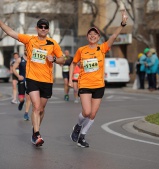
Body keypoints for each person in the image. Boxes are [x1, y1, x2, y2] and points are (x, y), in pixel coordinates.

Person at [0, 18, 65, 147]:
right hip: (32, 79)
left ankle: (35, 130)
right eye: (40, 26)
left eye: (45, 27)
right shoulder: (29, 40)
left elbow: (62, 60)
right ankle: (37, 134)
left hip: (46, 80)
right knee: (36, 106)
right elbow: (11, 32)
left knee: (41, 109)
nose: (43, 29)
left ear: (48, 29)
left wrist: (55, 59)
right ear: (37, 28)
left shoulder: (53, 43)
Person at [69, 10, 128, 148]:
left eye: (95, 35)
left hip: (99, 85)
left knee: (93, 114)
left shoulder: (102, 48)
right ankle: (77, 126)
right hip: (85, 84)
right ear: (87, 36)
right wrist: (73, 79)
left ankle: (82, 136)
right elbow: (73, 63)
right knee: (87, 112)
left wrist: (122, 24)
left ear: (98, 37)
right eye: (90, 34)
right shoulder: (81, 50)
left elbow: (114, 36)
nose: (92, 36)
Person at [12, 50, 31, 121]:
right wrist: (18, 76)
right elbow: (13, 68)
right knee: (21, 99)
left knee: (29, 98)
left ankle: (26, 113)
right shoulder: (20, 59)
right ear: (24, 51)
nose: (27, 51)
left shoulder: (32, 59)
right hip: (22, 80)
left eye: (28, 49)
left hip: (30, 81)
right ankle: (21, 103)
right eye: (26, 50)